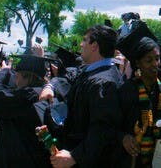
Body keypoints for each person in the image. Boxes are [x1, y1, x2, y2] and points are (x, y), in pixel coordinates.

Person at [43, 24, 124, 168]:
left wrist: (75, 157)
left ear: (94, 46)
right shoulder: (95, 72)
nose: (81, 44)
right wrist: (50, 85)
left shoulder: (103, 83)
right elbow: (69, 77)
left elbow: (102, 129)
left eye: (85, 40)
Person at [115, 22, 161, 167]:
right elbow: (111, 125)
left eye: (157, 58)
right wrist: (123, 137)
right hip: (132, 160)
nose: (155, 64)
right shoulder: (127, 90)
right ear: (138, 63)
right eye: (148, 60)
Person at [0, 54, 52, 167]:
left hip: (20, 158)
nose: (15, 78)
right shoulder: (44, 92)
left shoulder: (26, 97)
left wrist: (5, 71)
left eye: (17, 74)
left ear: (25, 77)